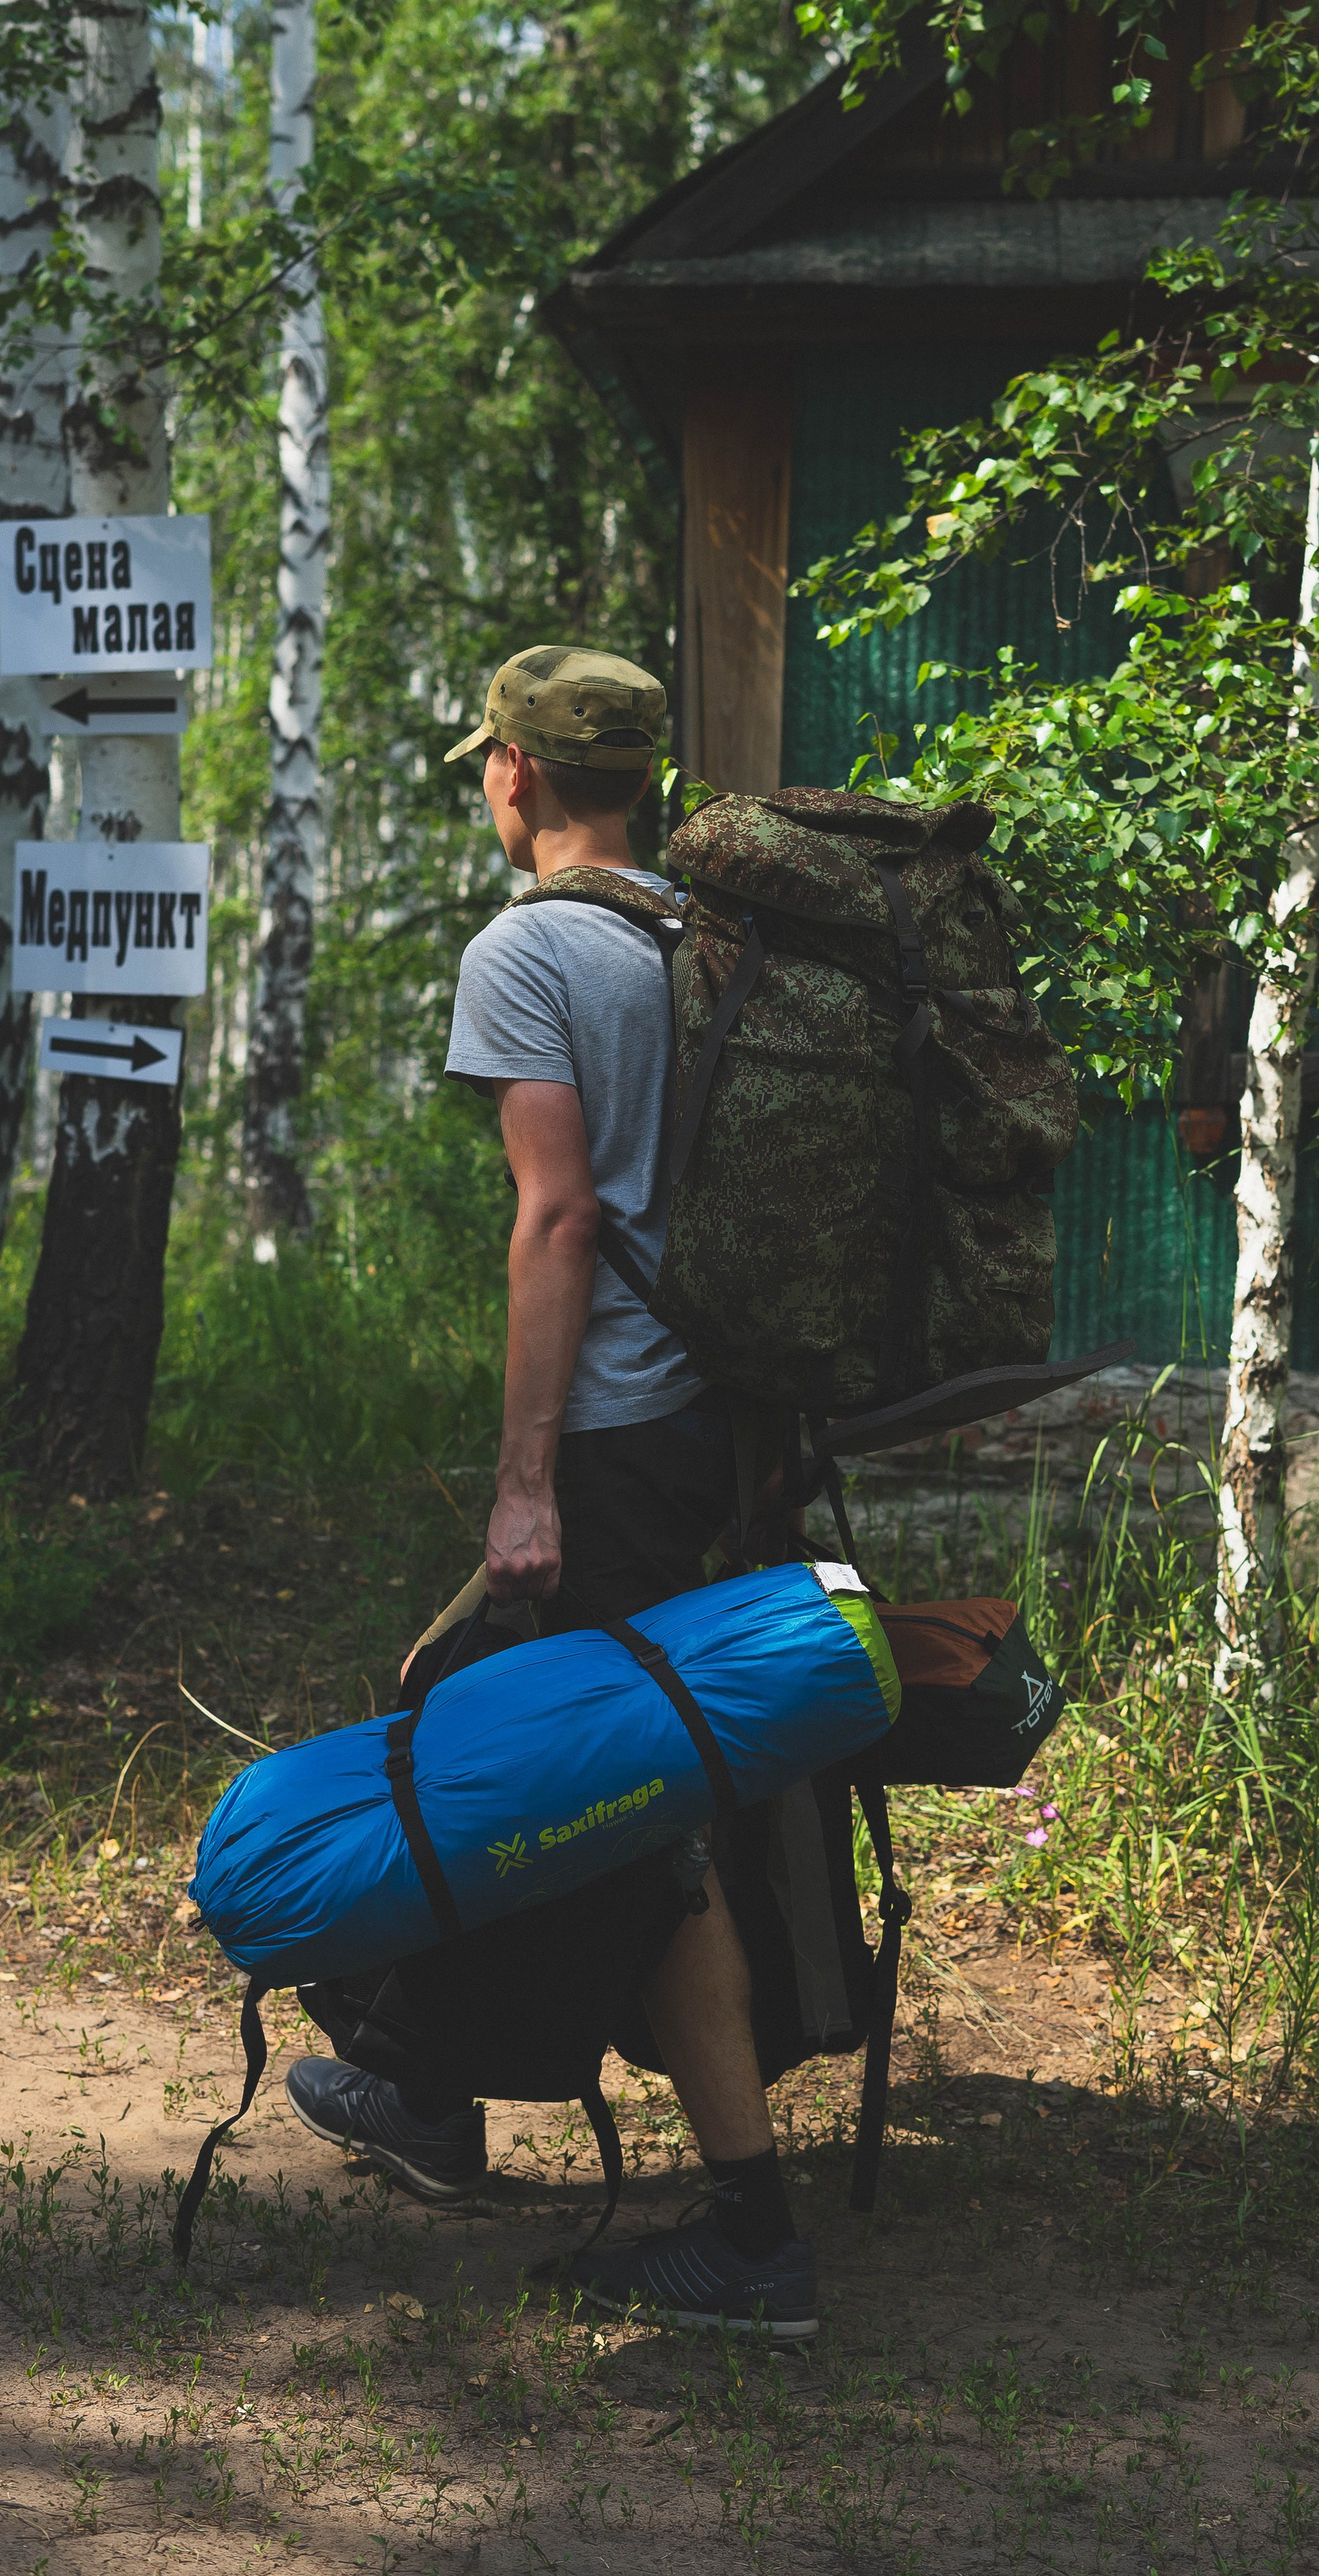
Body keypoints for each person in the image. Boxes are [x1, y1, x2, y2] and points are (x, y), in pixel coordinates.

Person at [282, 644, 817, 2339]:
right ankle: (424, 2088)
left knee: (629, 1817)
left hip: (610, 1438)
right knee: (481, 1722)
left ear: (514, 770)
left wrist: (527, 1484)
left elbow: (559, 1220)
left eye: (487, 764)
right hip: (714, 1428)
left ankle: (747, 2233)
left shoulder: (529, 949)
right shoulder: (704, 940)